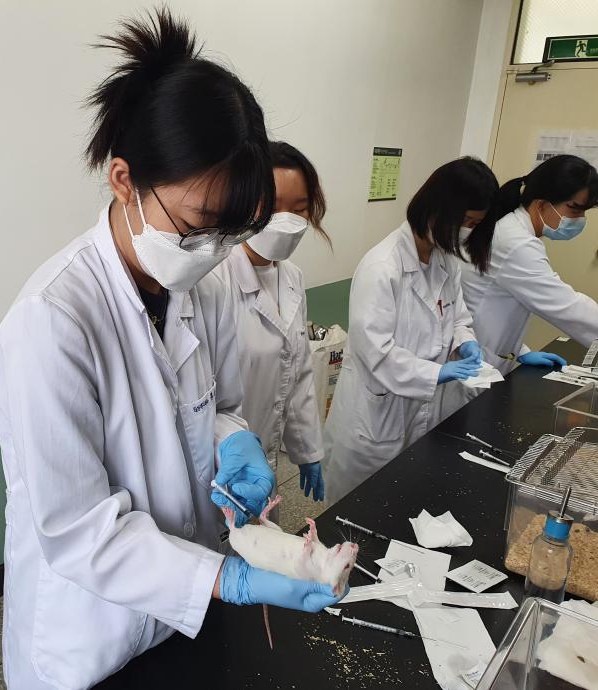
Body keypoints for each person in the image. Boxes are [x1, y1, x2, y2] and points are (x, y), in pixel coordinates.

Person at [0, 10, 342, 689]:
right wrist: (226, 579)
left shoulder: (197, 285)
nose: (214, 250)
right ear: (124, 180)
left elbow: (218, 404)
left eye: (231, 232)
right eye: (200, 224)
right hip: (92, 635)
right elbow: (79, 531)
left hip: (182, 610)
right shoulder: (51, 322)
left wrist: (235, 441)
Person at [323, 158, 499, 504]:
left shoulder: (445, 260)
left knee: (406, 500)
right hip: (376, 417)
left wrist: (465, 342)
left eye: (475, 224)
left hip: (423, 410)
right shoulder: (382, 267)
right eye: (466, 221)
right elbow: (376, 353)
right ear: (438, 207)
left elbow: (458, 317)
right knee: (358, 507)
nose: (468, 231)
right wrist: (436, 373)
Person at [215, 142, 330, 502]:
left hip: (266, 456)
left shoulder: (292, 277)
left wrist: (308, 450)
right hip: (220, 462)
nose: (286, 220)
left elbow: (297, 373)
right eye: (273, 206)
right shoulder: (214, 279)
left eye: (298, 209)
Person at [458, 154, 598, 376]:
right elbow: (566, 306)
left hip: (484, 355)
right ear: (541, 204)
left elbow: (494, 299)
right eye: (574, 209)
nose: (579, 219)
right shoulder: (516, 243)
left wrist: (521, 350)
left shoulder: (511, 229)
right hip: (471, 366)